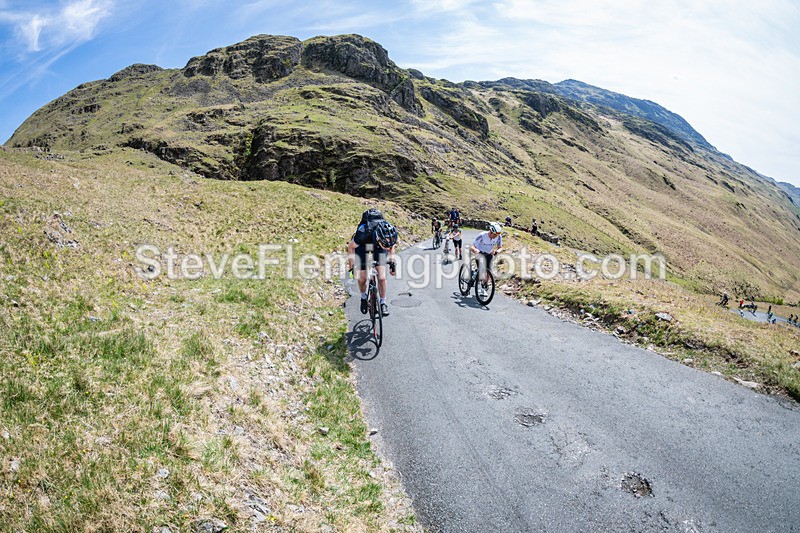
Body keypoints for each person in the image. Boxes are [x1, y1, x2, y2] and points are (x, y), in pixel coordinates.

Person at [347, 209, 398, 317]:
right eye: (385, 245)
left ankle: (383, 302)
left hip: (378, 248)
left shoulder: (387, 233)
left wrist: (392, 263)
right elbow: (350, 248)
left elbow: (391, 246)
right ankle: (363, 297)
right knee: (362, 279)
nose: (388, 248)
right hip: (363, 246)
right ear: (378, 238)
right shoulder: (362, 233)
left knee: (382, 277)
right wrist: (351, 267)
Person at [470, 222, 504, 296]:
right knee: (482, 270)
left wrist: (497, 252)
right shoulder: (482, 235)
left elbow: (500, 247)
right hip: (480, 253)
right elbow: (472, 246)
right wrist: (475, 250)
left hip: (488, 254)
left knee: (488, 272)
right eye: (494, 235)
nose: (496, 237)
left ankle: (483, 286)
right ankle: (478, 284)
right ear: (491, 231)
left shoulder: (498, 236)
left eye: (497, 235)